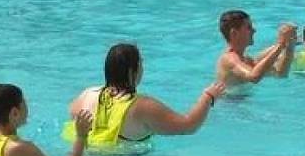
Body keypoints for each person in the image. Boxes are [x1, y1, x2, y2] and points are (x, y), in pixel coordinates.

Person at [67, 43, 226, 146]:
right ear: (132, 71)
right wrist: (208, 97)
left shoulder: (87, 95)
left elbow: (72, 113)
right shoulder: (143, 106)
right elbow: (188, 126)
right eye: (141, 63)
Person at [215, 10, 296, 85]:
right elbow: (254, 77)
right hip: (228, 101)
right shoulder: (229, 59)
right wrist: (280, 44)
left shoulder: (246, 59)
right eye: (249, 27)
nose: (254, 30)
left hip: (239, 100)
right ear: (234, 33)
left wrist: (289, 46)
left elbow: (280, 74)